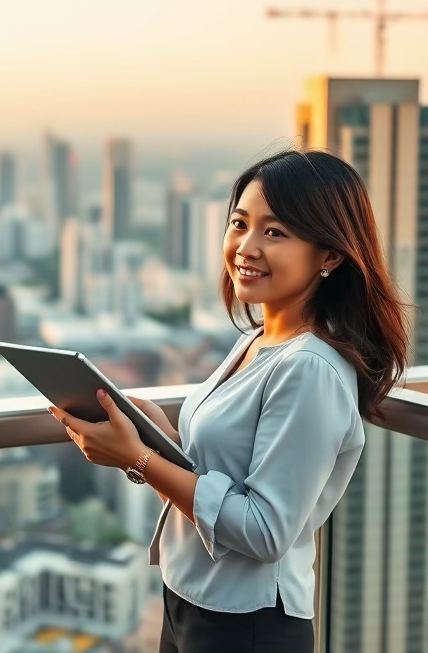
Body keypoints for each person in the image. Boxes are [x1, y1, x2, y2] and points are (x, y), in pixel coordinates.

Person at [48, 148, 407, 652]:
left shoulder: (310, 369)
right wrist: (160, 438)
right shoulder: (258, 340)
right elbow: (227, 474)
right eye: (240, 223)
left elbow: (264, 532)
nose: (246, 246)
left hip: (246, 625)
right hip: (190, 601)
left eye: (275, 232)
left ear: (329, 255)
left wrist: (139, 460)